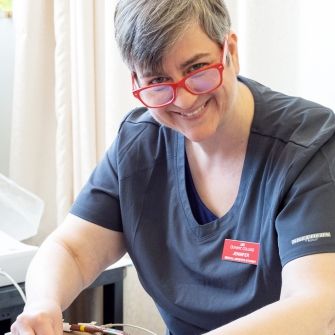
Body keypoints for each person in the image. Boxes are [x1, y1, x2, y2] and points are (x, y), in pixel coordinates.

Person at [10, 0, 335, 334]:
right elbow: (73, 250)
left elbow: (315, 307)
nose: (184, 100)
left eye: (197, 70)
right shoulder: (139, 145)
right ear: (136, 81)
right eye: (159, 82)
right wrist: (43, 303)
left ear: (230, 52)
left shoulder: (307, 147)